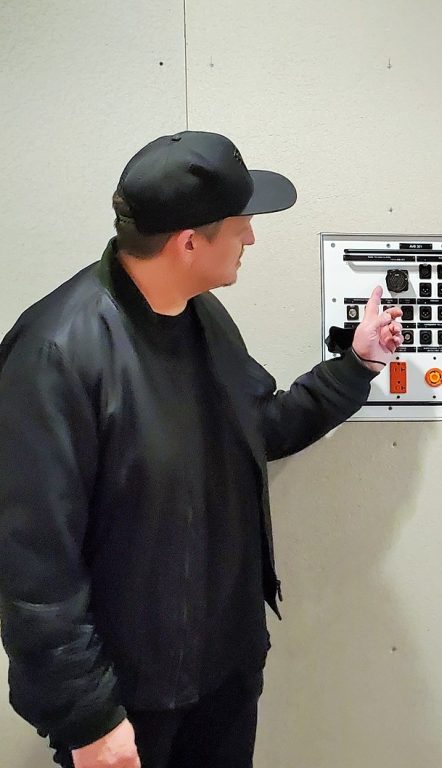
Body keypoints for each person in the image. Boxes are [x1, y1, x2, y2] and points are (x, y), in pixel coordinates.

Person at [0, 131, 403, 768]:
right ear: (189, 242)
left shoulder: (202, 316)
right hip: (129, 701)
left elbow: (258, 426)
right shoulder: (57, 354)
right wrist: (88, 718)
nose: (252, 239)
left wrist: (356, 366)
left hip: (224, 672)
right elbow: (34, 566)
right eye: (241, 226)